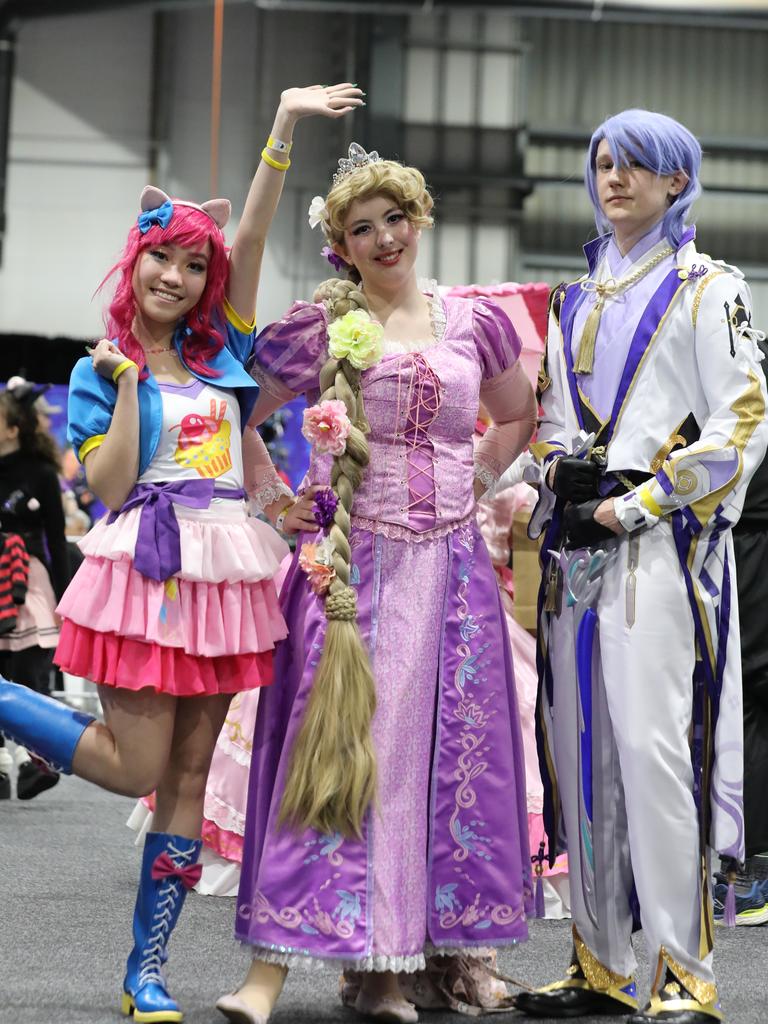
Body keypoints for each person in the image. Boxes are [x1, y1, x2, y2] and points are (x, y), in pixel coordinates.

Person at [0, 83, 363, 1024]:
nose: (176, 275)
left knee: (191, 786)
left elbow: (250, 237)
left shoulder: (224, 358)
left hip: (227, 570)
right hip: (146, 568)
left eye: (192, 265)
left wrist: (280, 126)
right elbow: (111, 487)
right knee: (133, 767)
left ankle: (145, 975)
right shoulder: (93, 368)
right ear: (136, 262)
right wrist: (123, 386)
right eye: (160, 256)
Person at [214, 144, 538, 1024]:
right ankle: (296, 963)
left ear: (418, 220)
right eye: (363, 228)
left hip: (454, 579)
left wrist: (480, 480)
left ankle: (390, 967)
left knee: (429, 767)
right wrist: (274, 500)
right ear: (342, 247)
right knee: (334, 756)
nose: (385, 237)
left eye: (396, 218)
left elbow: (517, 415)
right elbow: (237, 409)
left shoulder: (478, 320)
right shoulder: (319, 327)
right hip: (350, 570)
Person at [515, 109, 768, 1023]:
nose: (614, 177)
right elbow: (549, 418)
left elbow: (741, 422)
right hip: (577, 545)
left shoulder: (711, 287)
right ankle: (602, 962)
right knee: (581, 754)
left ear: (676, 181)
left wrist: (642, 499)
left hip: (659, 547)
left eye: (636, 165)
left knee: (656, 754)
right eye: (603, 163)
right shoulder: (573, 297)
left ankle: (683, 972)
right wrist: (556, 470)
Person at [0, 379, 70, 799]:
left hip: (27, 579)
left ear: (13, 428)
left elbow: (56, 539)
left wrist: (66, 599)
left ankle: (34, 761)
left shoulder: (42, 473)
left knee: (28, 674)